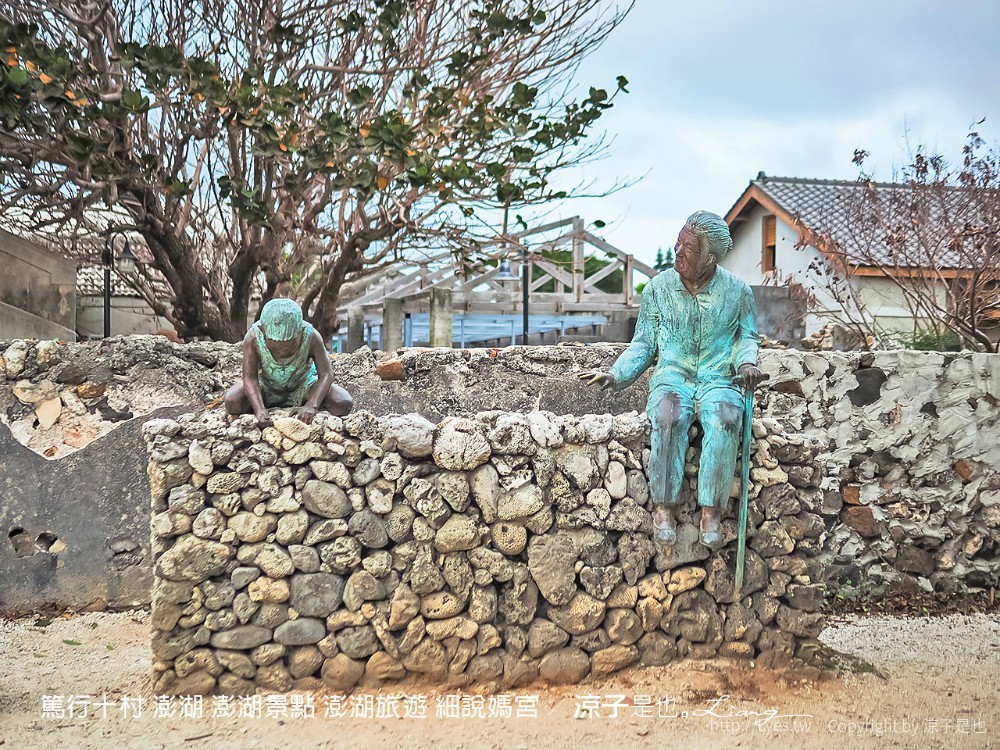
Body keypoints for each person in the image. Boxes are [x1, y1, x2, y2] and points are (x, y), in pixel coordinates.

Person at [578, 211, 763, 547]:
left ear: (710, 256)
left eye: (688, 248)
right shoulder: (658, 289)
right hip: (673, 377)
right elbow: (644, 344)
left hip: (719, 378)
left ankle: (712, 511)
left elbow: (746, 337)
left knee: (725, 419)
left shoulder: (737, 292)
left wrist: (747, 363)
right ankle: (664, 507)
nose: (678, 250)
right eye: (678, 242)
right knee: (668, 416)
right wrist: (615, 373)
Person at [224, 298, 352, 426]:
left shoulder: (311, 336)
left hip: (303, 386)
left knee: (342, 402)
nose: (282, 349)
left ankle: (312, 403)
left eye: (289, 344)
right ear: (263, 330)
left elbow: (326, 375)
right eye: (275, 344)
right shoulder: (253, 337)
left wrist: (312, 405)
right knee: (232, 401)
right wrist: (259, 409)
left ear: (300, 330)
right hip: (266, 387)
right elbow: (250, 378)